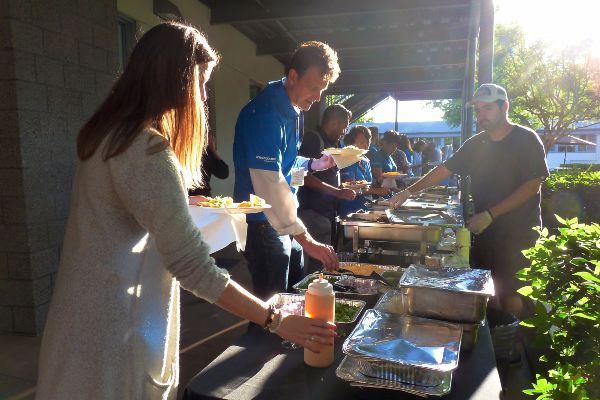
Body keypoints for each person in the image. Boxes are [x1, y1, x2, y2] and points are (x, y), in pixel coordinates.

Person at [35, 23, 336, 400]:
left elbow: (121, 209)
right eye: (201, 84)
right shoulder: (147, 149)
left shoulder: (107, 135)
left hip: (80, 321)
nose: (203, 98)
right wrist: (275, 320)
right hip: (116, 334)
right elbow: (193, 266)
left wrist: (179, 201)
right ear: (175, 81)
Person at [390, 83, 549, 320]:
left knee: (513, 296)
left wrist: (491, 214)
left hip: (519, 234)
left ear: (504, 107)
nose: (481, 115)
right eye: (477, 110)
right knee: (489, 292)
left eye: (487, 108)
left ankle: (522, 339)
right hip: (485, 232)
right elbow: (444, 169)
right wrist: (408, 192)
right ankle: (496, 336)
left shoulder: (526, 139)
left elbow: (532, 185)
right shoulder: (476, 144)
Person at [233, 41, 340, 300]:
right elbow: (270, 184)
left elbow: (285, 164)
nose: (318, 97)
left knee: (293, 297)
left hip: (284, 223)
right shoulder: (265, 115)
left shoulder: (293, 110)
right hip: (262, 223)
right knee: (272, 308)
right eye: (314, 88)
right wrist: (307, 240)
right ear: (293, 76)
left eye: (322, 90)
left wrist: (312, 164)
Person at [297, 104, 356, 271]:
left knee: (323, 261)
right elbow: (303, 177)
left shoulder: (332, 143)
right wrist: (337, 192)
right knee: (317, 263)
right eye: (344, 127)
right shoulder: (313, 140)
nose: (344, 132)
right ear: (334, 122)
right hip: (312, 212)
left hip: (326, 212)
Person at [338, 125, 392, 216]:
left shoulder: (365, 160)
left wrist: (379, 183)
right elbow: (350, 187)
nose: (366, 145)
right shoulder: (347, 160)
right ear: (351, 143)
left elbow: (367, 184)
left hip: (365, 207)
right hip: (350, 210)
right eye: (362, 142)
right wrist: (377, 191)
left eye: (368, 142)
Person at [188, 132, 229, 197]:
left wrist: (213, 151)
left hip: (199, 196)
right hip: (197, 196)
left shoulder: (205, 153)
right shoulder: (204, 154)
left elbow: (224, 173)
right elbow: (223, 173)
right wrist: (213, 150)